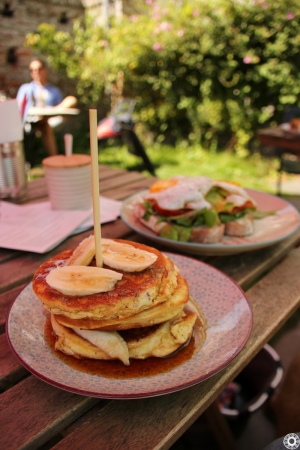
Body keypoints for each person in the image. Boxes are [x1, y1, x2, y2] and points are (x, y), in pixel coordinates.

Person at [17, 58, 77, 156]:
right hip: (34, 120)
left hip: (52, 118)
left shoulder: (54, 90)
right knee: (44, 125)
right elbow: (20, 107)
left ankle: (47, 116)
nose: (36, 72)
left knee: (72, 99)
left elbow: (62, 107)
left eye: (39, 69)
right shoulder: (26, 88)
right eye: (32, 70)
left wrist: (50, 113)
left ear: (45, 70)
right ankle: (54, 159)